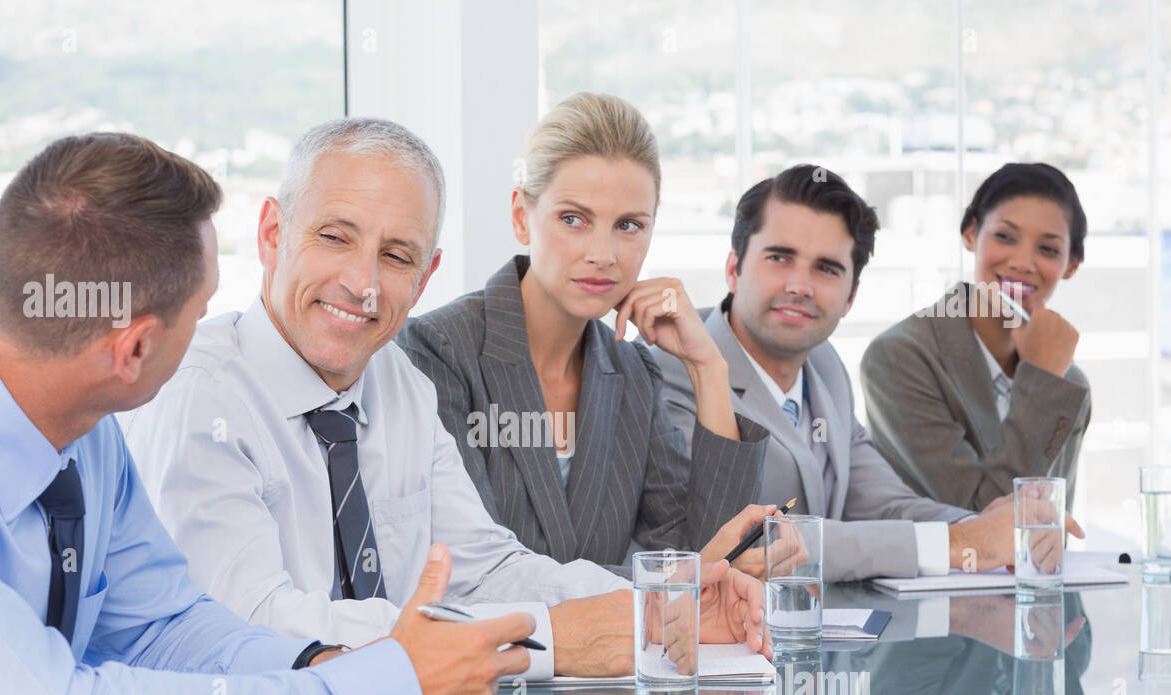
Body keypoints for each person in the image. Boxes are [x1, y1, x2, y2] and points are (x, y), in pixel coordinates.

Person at [0, 132, 537, 695]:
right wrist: (380, 692)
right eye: (201, 307)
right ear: (133, 350)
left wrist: (333, 669)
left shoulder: (86, 433)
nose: (211, 326)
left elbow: (164, 629)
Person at [122, 116, 770, 681]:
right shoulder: (200, 393)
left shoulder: (396, 382)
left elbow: (485, 568)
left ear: (426, 274)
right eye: (335, 237)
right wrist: (557, 638)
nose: (362, 283)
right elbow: (252, 624)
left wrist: (657, 611)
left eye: (397, 256)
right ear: (270, 234)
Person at [399, 92, 772, 580]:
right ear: (520, 216)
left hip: (612, 654)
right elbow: (478, 572)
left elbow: (708, 555)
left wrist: (708, 367)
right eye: (573, 219)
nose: (603, 253)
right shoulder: (438, 351)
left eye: (629, 226)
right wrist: (678, 581)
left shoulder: (633, 371)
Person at [652, 164, 1082, 582]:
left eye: (826, 268)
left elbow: (885, 505)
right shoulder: (672, 366)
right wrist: (958, 543)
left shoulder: (824, 366)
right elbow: (742, 544)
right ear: (733, 269)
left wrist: (993, 525)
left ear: (851, 296)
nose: (799, 285)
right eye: (779, 258)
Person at [860, 162, 1091, 511]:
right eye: (1005, 237)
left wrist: (1047, 379)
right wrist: (1043, 382)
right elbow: (989, 517)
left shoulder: (1068, 381)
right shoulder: (899, 357)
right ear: (970, 234)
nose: (1022, 262)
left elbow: (1049, 530)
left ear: (1071, 264)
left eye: (1048, 249)